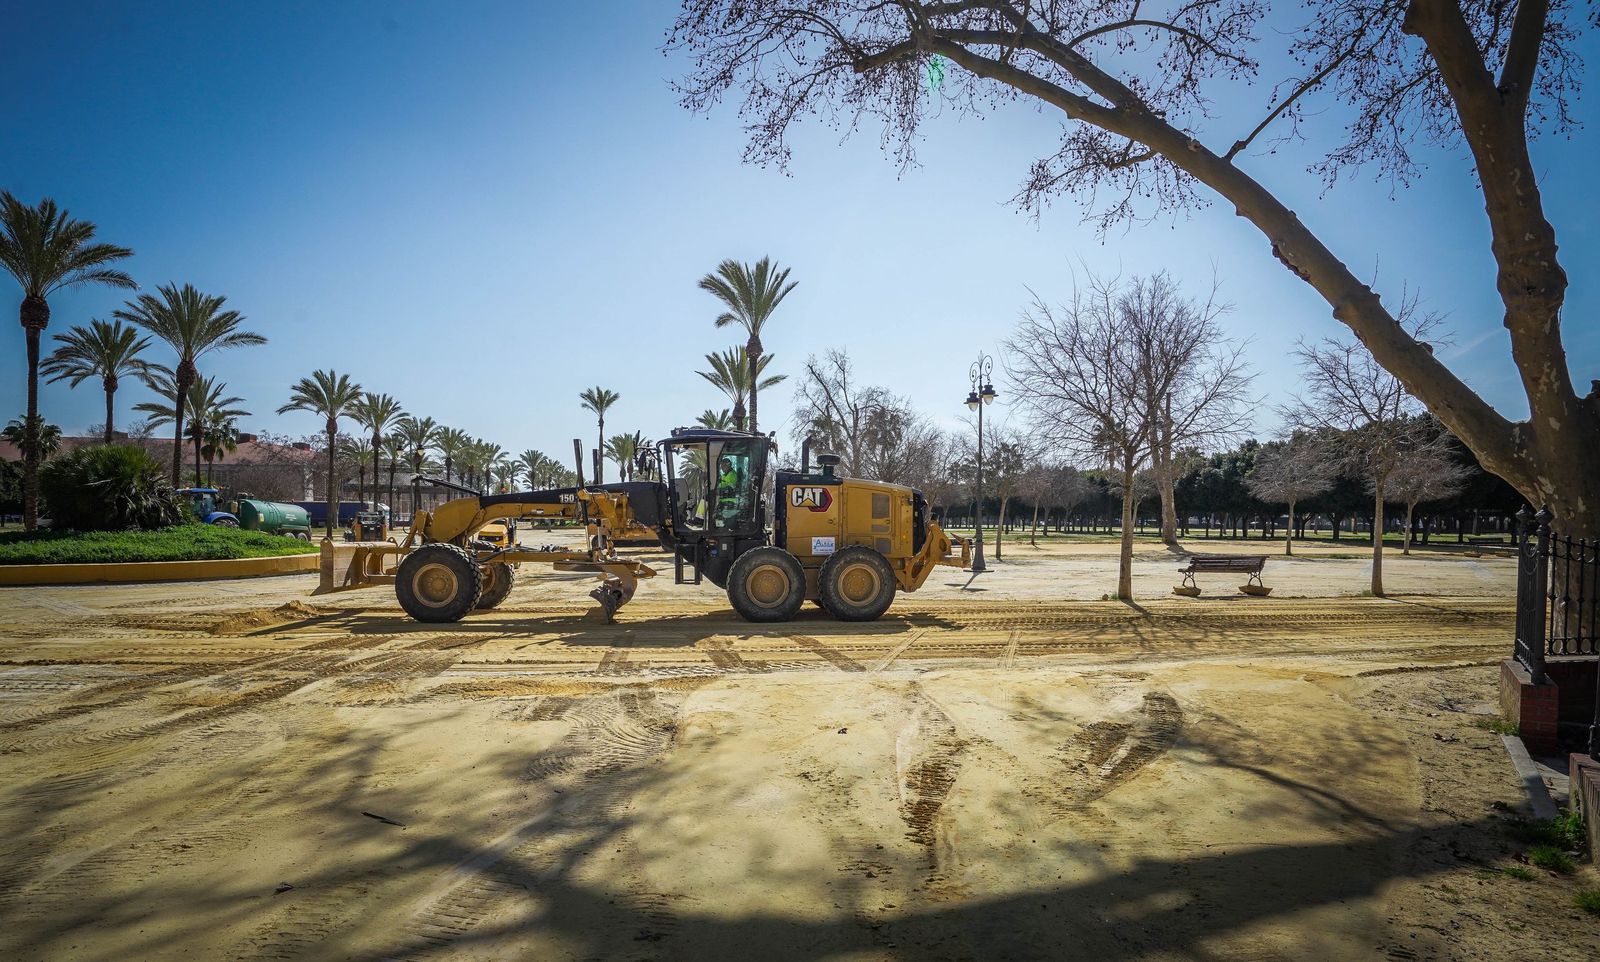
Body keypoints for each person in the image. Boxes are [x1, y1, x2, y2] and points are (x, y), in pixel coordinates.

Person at [715, 456, 742, 522]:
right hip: (723, 497)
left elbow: (730, 489)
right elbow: (720, 485)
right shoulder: (724, 475)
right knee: (707, 497)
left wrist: (718, 490)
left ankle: (700, 519)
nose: (721, 468)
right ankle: (701, 519)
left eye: (723, 466)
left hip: (730, 499)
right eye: (721, 466)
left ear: (728, 465)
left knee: (709, 499)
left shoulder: (732, 475)